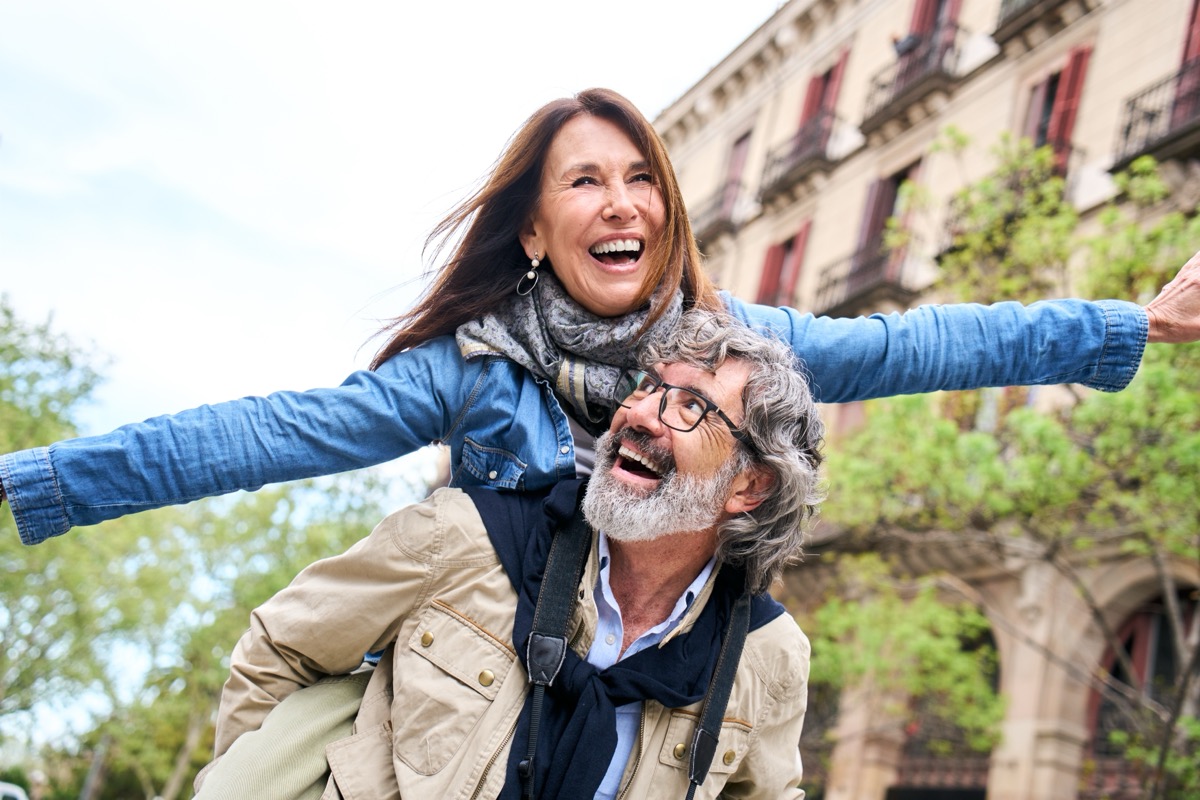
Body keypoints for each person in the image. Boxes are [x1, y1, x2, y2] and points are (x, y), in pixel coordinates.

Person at [1, 86, 1199, 545]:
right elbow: (265, 433)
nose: (619, 201)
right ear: (535, 230)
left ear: (668, 213)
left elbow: (923, 341)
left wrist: (1129, 326)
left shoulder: (735, 341)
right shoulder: (473, 370)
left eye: (640, 180)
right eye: (584, 180)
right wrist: (32, 483)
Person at [194, 310, 824, 800]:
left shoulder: (769, 656)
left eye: (694, 407)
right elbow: (281, 648)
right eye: (647, 387)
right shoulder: (462, 535)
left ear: (750, 486)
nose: (641, 416)